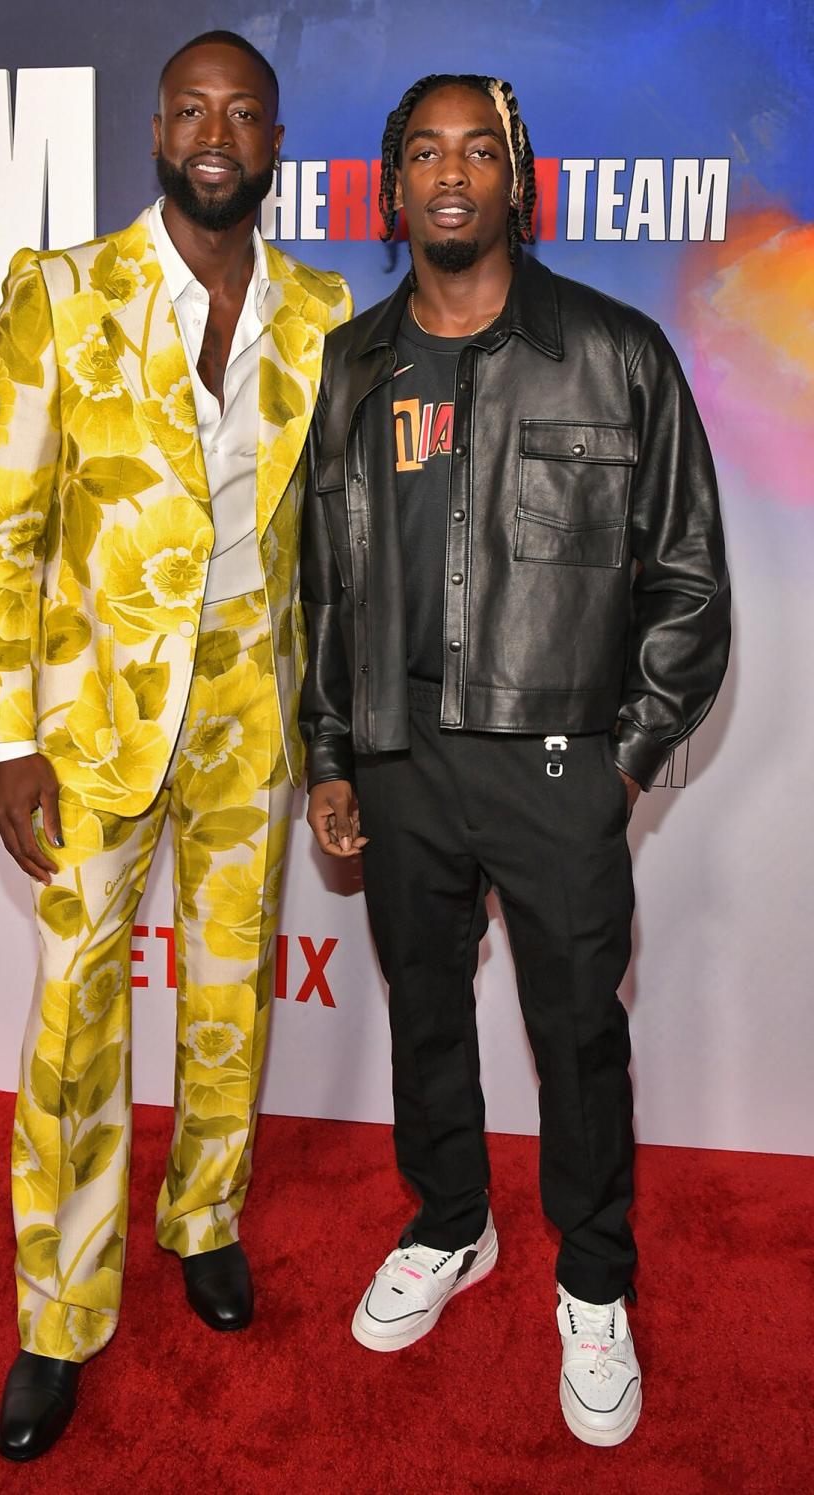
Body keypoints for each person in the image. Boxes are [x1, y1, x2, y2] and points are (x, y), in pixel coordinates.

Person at [300, 71, 729, 1448]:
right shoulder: (352, 365)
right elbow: (324, 581)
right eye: (420, 151)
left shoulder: (618, 353)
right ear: (388, 184)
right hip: (397, 759)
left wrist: (622, 761)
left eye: (477, 151)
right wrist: (330, 755)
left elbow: (691, 589)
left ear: (516, 179)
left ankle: (595, 1282)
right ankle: (450, 1224)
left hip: (559, 764)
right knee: (425, 1019)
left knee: (578, 1039)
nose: (448, 174)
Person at [0, 29, 351, 1462]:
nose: (215, 133)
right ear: (155, 132)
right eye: (191, 108)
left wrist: (332, 737)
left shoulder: (320, 308)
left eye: (244, 114)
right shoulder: (62, 294)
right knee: (74, 1016)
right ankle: (56, 1315)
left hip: (254, 703)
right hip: (91, 720)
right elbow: (4, 526)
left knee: (230, 989)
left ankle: (202, 1217)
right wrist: (12, 735)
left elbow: (330, 544)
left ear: (273, 143)